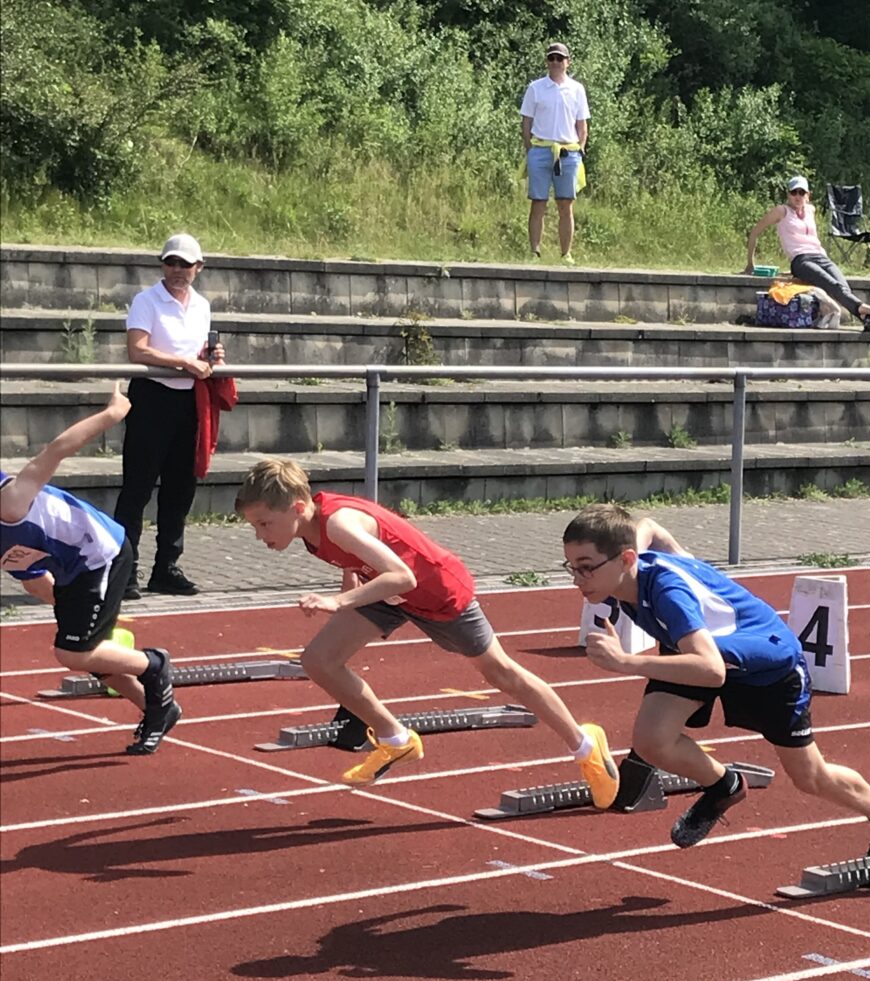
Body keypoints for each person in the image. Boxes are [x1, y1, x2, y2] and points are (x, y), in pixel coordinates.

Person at [562, 504, 870, 889]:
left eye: (586, 566)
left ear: (626, 558)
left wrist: (626, 662)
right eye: (571, 566)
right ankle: (723, 786)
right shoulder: (626, 571)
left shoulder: (668, 593)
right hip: (705, 650)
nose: (578, 578)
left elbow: (711, 670)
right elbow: (648, 526)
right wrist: (663, 548)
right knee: (651, 740)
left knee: (810, 777)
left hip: (766, 665)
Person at [235, 459, 618, 789]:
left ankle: (585, 745)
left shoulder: (339, 524)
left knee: (501, 673)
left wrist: (339, 601)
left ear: (297, 508)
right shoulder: (313, 529)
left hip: (437, 591)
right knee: (319, 660)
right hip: (385, 592)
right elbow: (357, 562)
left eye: (265, 524)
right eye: (255, 526)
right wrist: (349, 588)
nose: (259, 535)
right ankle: (395, 739)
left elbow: (404, 576)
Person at [0, 383, 179, 754]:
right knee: (85, 646)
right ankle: (156, 708)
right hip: (72, 568)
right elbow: (35, 582)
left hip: (102, 552)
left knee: (72, 652)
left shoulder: (10, 502)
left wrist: (112, 415)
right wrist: (78, 619)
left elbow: (57, 450)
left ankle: (153, 663)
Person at [114, 233, 224, 600]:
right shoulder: (146, 300)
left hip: (188, 402)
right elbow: (137, 349)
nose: (177, 270)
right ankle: (124, 572)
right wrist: (183, 362)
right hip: (152, 398)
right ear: (163, 265)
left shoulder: (202, 306)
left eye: (185, 264)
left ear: (199, 268)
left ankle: (166, 567)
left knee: (180, 489)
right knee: (137, 489)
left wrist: (211, 357)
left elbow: (200, 355)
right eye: (171, 262)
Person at [744, 176, 870, 332]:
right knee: (833, 285)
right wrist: (750, 263)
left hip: (820, 257)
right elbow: (755, 232)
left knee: (843, 286)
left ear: (808, 195)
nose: (797, 196)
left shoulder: (811, 210)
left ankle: (865, 318)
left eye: (801, 192)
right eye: (794, 192)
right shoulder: (781, 211)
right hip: (801, 260)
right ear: (788, 195)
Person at [520, 41, 589, 264]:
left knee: (565, 203)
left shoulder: (577, 89)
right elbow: (526, 122)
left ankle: (566, 253)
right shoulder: (535, 88)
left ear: (568, 62)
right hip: (540, 149)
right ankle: (535, 252)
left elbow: (582, 125)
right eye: (552, 58)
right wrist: (531, 149)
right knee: (538, 202)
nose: (556, 62)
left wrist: (580, 149)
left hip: (568, 152)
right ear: (547, 62)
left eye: (560, 58)